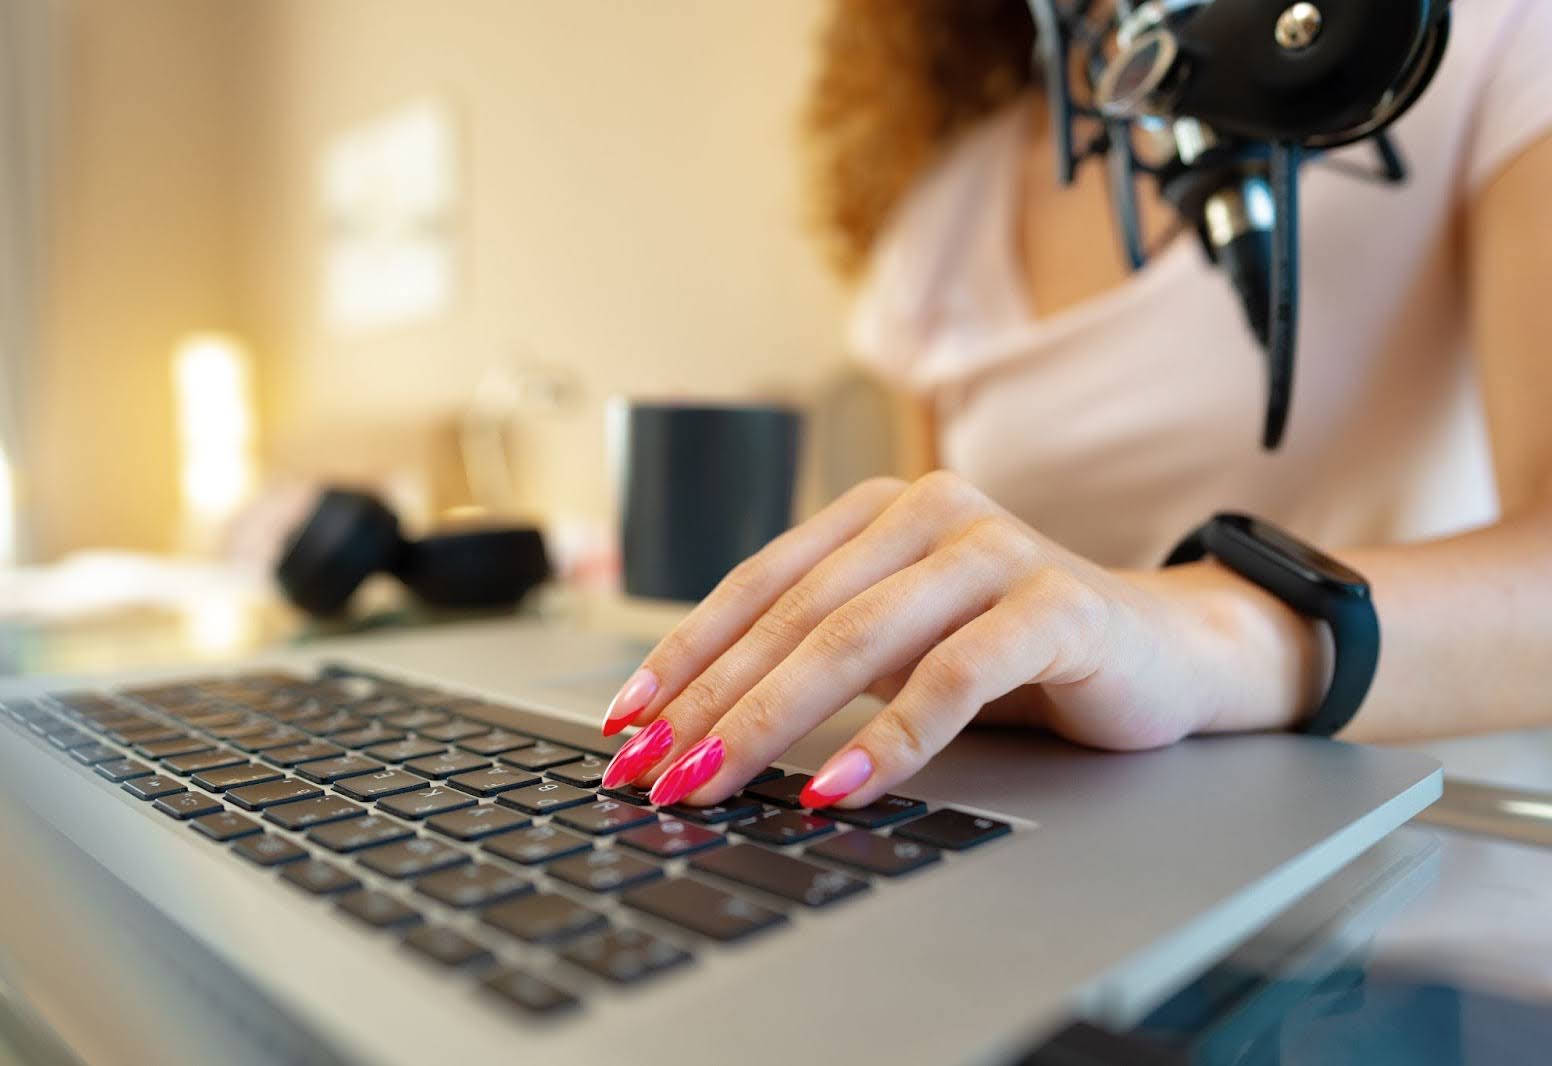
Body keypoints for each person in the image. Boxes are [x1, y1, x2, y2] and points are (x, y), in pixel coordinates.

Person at [599, 0, 1552, 811]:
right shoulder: (944, 208)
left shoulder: (1500, 44)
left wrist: (1192, 632)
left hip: (1413, 900)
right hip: (1036, 880)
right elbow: (952, 596)